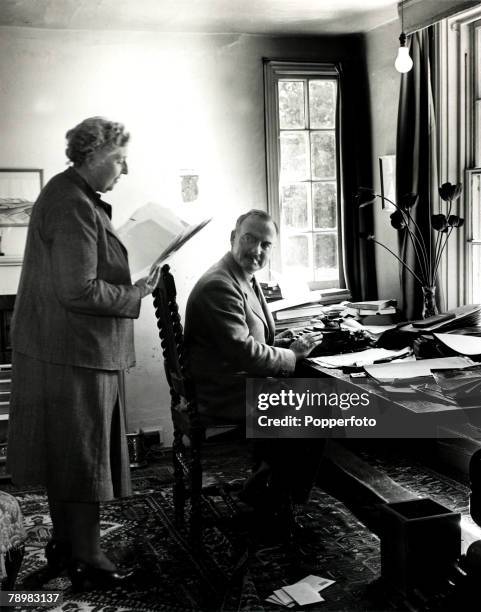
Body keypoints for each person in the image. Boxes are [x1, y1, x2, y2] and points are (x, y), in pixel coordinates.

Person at [7, 117, 159, 590]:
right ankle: (90, 561)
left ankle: (70, 549)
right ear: (92, 155)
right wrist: (134, 294)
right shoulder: (72, 203)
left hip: (63, 351)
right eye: (118, 159)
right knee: (85, 462)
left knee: (68, 460)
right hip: (74, 355)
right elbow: (78, 290)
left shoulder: (67, 194)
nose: (125, 169)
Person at [184, 209, 324, 535]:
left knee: (309, 389)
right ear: (233, 238)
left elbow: (250, 339)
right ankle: (277, 498)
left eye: (266, 244)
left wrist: (285, 344)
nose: (257, 250)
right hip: (222, 393)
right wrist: (291, 355)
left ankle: (268, 482)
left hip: (233, 382)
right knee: (315, 408)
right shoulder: (219, 285)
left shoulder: (241, 277)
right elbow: (244, 353)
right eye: (250, 239)